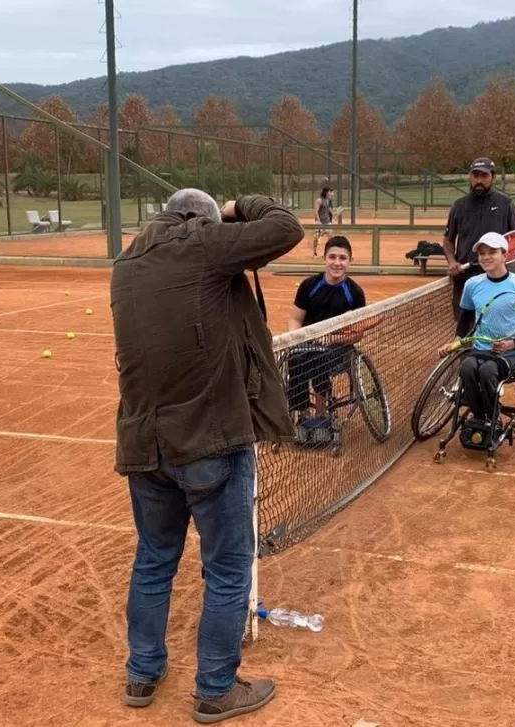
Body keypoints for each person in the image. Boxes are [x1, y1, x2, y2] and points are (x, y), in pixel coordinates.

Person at [110, 189, 304, 722]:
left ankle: (141, 673)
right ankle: (216, 688)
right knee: (228, 568)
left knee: (153, 560)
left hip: (143, 443)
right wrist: (243, 205)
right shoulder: (203, 245)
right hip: (209, 439)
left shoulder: (125, 262)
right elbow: (286, 227)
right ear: (203, 219)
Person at [439, 231, 515, 427]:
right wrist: (456, 341)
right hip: (481, 350)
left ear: (504, 255)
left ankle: (490, 417)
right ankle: (482, 417)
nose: (486, 257)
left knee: (488, 371)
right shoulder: (472, 285)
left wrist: (512, 344)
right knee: (467, 368)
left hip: (514, 355)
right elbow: (464, 320)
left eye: (492, 252)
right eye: (482, 253)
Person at [286, 235, 367, 434]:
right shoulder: (309, 286)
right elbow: (296, 319)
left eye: (342, 258)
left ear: (350, 261)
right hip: (308, 344)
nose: (337, 263)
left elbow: (357, 334)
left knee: (317, 359)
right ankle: (303, 414)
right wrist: (295, 339)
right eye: (332, 257)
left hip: (338, 350)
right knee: (295, 359)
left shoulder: (355, 293)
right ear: (325, 259)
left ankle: (322, 415)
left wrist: (332, 340)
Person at [442, 157, 515, 321]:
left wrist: (500, 262)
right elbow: (448, 240)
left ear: (492, 177)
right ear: (470, 177)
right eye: (475, 175)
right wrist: (452, 261)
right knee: (464, 328)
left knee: (496, 324)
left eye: (484, 176)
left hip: (497, 278)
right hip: (465, 278)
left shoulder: (506, 204)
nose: (479, 180)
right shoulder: (459, 206)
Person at [313, 186, 337, 256]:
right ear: (326, 192)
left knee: (330, 236)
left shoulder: (328, 200)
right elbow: (315, 211)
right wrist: (318, 221)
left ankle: (328, 252)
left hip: (327, 222)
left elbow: (329, 208)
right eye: (329, 192)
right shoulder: (319, 200)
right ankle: (314, 252)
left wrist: (333, 215)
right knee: (317, 238)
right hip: (319, 222)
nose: (331, 193)